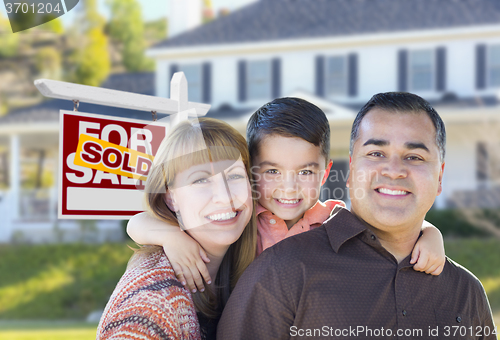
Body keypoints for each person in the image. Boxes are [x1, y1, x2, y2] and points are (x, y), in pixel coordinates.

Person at [217, 92, 497, 340]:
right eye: (376, 153)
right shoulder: (279, 268)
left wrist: (431, 232)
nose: (394, 170)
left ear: (439, 178)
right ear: (350, 171)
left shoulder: (466, 291)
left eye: (414, 157)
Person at [127, 97, 446, 294]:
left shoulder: (336, 219)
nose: (289, 188)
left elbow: (390, 229)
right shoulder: (239, 219)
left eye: (305, 172)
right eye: (272, 171)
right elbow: (138, 222)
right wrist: (173, 239)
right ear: (250, 171)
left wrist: (431, 234)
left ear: (325, 172)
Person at [96, 118, 257, 340]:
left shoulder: (255, 260)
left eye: (235, 176)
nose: (224, 196)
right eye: (201, 180)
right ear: (171, 198)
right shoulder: (150, 300)